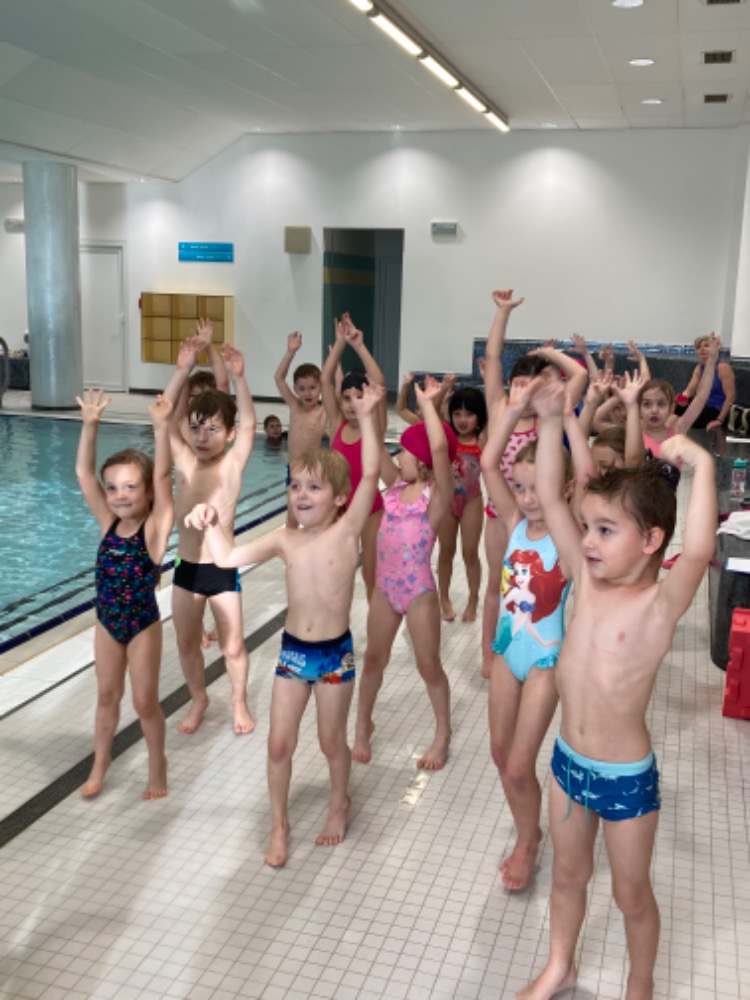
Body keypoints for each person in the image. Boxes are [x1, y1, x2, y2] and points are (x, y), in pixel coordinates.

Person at [515, 375, 716, 1000]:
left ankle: (641, 982)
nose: (588, 541)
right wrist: (551, 421)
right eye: (588, 528)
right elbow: (554, 502)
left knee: (631, 895)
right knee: (568, 875)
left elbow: (700, 549)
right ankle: (560, 965)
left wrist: (702, 464)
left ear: (651, 541)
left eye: (606, 531)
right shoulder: (586, 579)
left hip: (625, 778)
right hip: (567, 764)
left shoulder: (659, 605)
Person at [185, 381, 385, 867]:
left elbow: (371, 472)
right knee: (278, 745)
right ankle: (280, 825)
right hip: (294, 652)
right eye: (295, 485)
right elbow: (228, 557)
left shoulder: (348, 530)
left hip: (334, 655)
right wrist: (209, 522)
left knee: (331, 742)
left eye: (314, 487)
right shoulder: (284, 539)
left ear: (340, 498)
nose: (301, 494)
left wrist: (367, 416)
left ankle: (338, 804)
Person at [480, 384, 573, 891]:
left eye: (538, 488)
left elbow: (557, 495)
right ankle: (527, 829)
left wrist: (558, 419)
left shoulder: (566, 534)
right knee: (500, 754)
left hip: (543, 659)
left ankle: (527, 841)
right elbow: (488, 465)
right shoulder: (515, 521)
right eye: (521, 488)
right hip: (505, 652)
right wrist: (514, 409)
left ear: (562, 489)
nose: (528, 498)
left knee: (519, 766)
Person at [480, 290, 587, 678]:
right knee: (499, 582)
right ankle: (490, 652)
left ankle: (542, 638)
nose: (523, 394)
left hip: (544, 515)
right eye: (518, 386)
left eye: (531, 386)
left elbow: (580, 376)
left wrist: (547, 353)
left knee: (543, 582)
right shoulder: (499, 409)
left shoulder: (547, 416)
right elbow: (493, 358)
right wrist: (502, 313)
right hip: (503, 511)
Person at [352, 377, 457, 770]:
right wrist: (367, 414)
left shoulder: (436, 497)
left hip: (418, 592)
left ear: (424, 461)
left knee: (428, 666)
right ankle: (363, 725)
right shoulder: (395, 486)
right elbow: (375, 449)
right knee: (373, 659)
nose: (399, 457)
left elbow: (442, 449)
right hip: (385, 588)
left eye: (406, 452)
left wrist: (428, 406)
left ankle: (442, 733)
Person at [75, 389, 174, 799]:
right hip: (107, 622)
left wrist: (162, 429)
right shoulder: (108, 523)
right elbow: (84, 475)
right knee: (106, 695)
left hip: (142, 626)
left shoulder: (154, 530)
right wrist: (90, 425)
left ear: (147, 492)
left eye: (130, 486)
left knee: (144, 702)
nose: (119, 495)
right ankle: (101, 762)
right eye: (113, 487)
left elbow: (164, 480)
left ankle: (157, 764)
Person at [163, 339, 256, 735]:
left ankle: (239, 702)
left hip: (222, 568)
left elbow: (249, 423)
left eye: (213, 429)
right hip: (186, 569)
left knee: (232, 645)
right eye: (196, 427)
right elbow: (166, 417)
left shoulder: (233, 464)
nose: (202, 436)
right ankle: (198, 698)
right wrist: (182, 370)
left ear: (230, 434)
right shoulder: (184, 462)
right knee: (186, 644)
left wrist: (239, 378)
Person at [322, 312, 387, 599]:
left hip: (371, 508)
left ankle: (375, 625)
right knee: (337, 572)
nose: (351, 404)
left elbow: (379, 379)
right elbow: (325, 380)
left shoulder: (373, 425)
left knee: (370, 573)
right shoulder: (337, 423)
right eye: (346, 398)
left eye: (358, 397)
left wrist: (358, 346)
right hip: (339, 507)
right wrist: (339, 343)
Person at [437, 385, 488, 623]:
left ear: (479, 415)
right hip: (446, 501)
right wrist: (441, 392)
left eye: (469, 414)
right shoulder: (446, 437)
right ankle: (444, 599)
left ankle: (473, 599)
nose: (462, 420)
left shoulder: (482, 439)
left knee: (470, 553)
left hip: (472, 502)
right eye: (457, 413)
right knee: (446, 551)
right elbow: (431, 414)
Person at [639, 333, 721, 459]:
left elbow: (701, 396)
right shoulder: (635, 431)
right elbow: (645, 382)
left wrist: (711, 362)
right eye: (647, 404)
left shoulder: (677, 430)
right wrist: (641, 360)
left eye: (661, 404)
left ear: (671, 408)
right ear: (638, 408)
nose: (654, 410)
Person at [273, 331, 327, 462]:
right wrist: (290, 352)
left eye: (312, 388)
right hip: (292, 467)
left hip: (311, 469)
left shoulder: (323, 412)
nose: (307, 393)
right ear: (295, 389)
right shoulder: (295, 405)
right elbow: (279, 378)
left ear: (321, 388)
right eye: (302, 389)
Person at [676, 332, 735, 431]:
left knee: (687, 419)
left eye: (706, 346)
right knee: (675, 409)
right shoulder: (699, 368)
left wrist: (719, 420)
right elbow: (689, 391)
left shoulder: (723, 367)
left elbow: (730, 397)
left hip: (717, 410)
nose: (702, 349)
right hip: (701, 407)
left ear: (716, 349)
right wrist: (680, 400)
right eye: (699, 347)